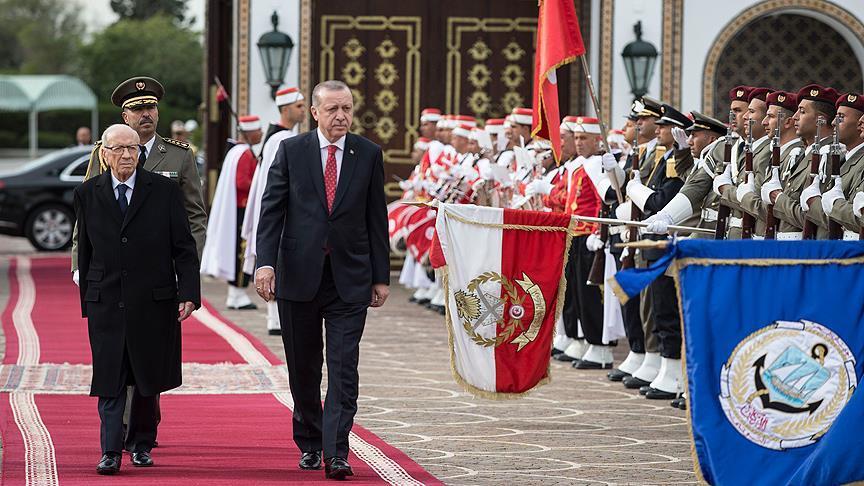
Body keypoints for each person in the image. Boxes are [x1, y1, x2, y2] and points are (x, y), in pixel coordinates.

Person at [254, 80, 389, 480]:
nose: (341, 116)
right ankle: (311, 440)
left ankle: (337, 451)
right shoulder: (290, 151)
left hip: (350, 278)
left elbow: (376, 218)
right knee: (304, 367)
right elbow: (271, 210)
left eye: (347, 108)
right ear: (314, 112)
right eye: (332, 109)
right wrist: (265, 264)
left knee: (344, 367)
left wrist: (380, 276)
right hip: (298, 276)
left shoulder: (368, 154)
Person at [74, 124, 200, 474]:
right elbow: (85, 250)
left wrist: (189, 293)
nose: (127, 155)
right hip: (106, 300)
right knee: (110, 376)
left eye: (132, 149)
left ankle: (141, 443)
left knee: (146, 375)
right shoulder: (87, 193)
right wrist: (88, 297)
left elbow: (184, 247)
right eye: (119, 149)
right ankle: (110, 450)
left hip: (153, 299)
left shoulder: (163, 191)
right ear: (104, 154)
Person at [242, 86, 305, 335]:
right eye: (299, 106)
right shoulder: (281, 139)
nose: (303, 111)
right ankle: (275, 317)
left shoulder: (279, 137)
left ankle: (276, 317)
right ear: (286, 109)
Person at [201, 115, 262, 310]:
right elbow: (242, 182)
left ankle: (235, 294)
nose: (261, 133)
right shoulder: (245, 153)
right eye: (258, 130)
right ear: (250, 133)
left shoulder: (236, 151)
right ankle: (238, 293)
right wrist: (261, 184)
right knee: (241, 252)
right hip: (242, 209)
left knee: (237, 251)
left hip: (236, 209)